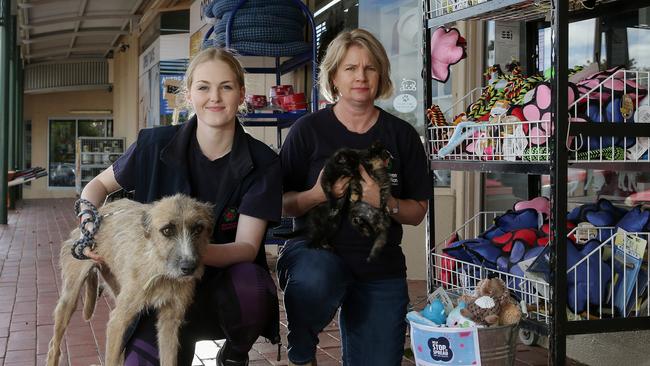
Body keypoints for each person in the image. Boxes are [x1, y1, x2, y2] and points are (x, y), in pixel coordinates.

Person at [77, 47, 282, 366]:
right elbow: (97, 186)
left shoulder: (263, 162)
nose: (215, 97)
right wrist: (88, 226)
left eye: (226, 87)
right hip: (158, 290)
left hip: (222, 290)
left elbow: (245, 247)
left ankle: (235, 355)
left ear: (241, 93)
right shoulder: (152, 145)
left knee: (253, 288)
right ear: (188, 94)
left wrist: (184, 255)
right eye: (203, 87)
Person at [278, 28, 433, 366]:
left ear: (381, 75)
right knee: (316, 277)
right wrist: (317, 195)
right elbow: (281, 203)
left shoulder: (402, 135)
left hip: (379, 266)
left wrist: (386, 201)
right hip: (314, 253)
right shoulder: (307, 130)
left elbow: (417, 211)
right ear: (334, 76)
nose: (361, 76)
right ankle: (303, 350)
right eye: (350, 68)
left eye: (370, 68)